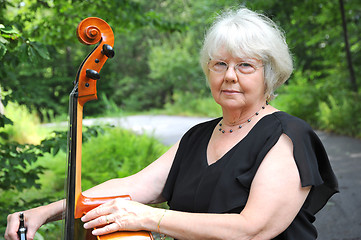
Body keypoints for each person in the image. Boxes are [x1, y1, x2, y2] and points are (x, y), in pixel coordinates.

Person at [5, 7, 338, 240]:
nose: (230, 76)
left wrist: (151, 218)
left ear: (270, 74)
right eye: (220, 64)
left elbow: (251, 229)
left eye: (245, 66)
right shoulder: (198, 136)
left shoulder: (287, 136)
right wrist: (44, 211)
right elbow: (135, 184)